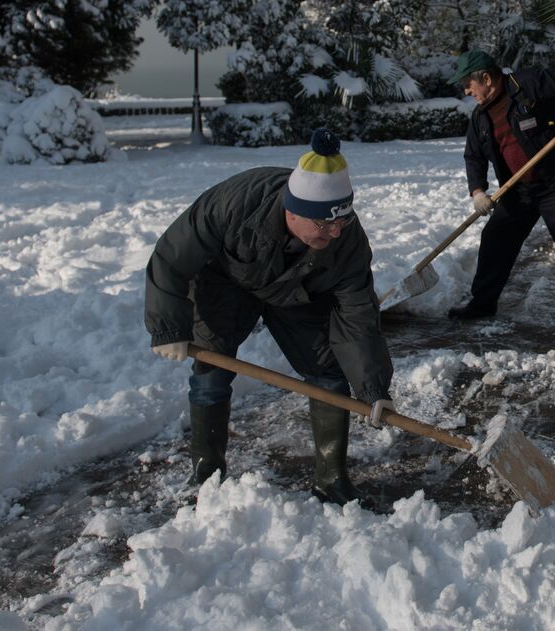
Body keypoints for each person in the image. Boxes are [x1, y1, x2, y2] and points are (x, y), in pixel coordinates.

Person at [144, 128, 395, 505]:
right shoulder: (235, 203)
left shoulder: (346, 242)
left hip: (297, 293)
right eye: (325, 224)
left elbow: (357, 315)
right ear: (293, 212)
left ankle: (332, 479)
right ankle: (207, 474)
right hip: (228, 281)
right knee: (212, 369)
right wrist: (168, 326)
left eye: (341, 220)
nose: (335, 231)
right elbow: (171, 256)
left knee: (327, 371)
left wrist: (374, 389)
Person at [447, 49, 555, 342]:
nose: (466, 90)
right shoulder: (480, 117)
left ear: (486, 78)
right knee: (494, 240)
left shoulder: (526, 84)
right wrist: (478, 190)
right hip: (519, 192)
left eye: (468, 83)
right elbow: (473, 156)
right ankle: (482, 304)